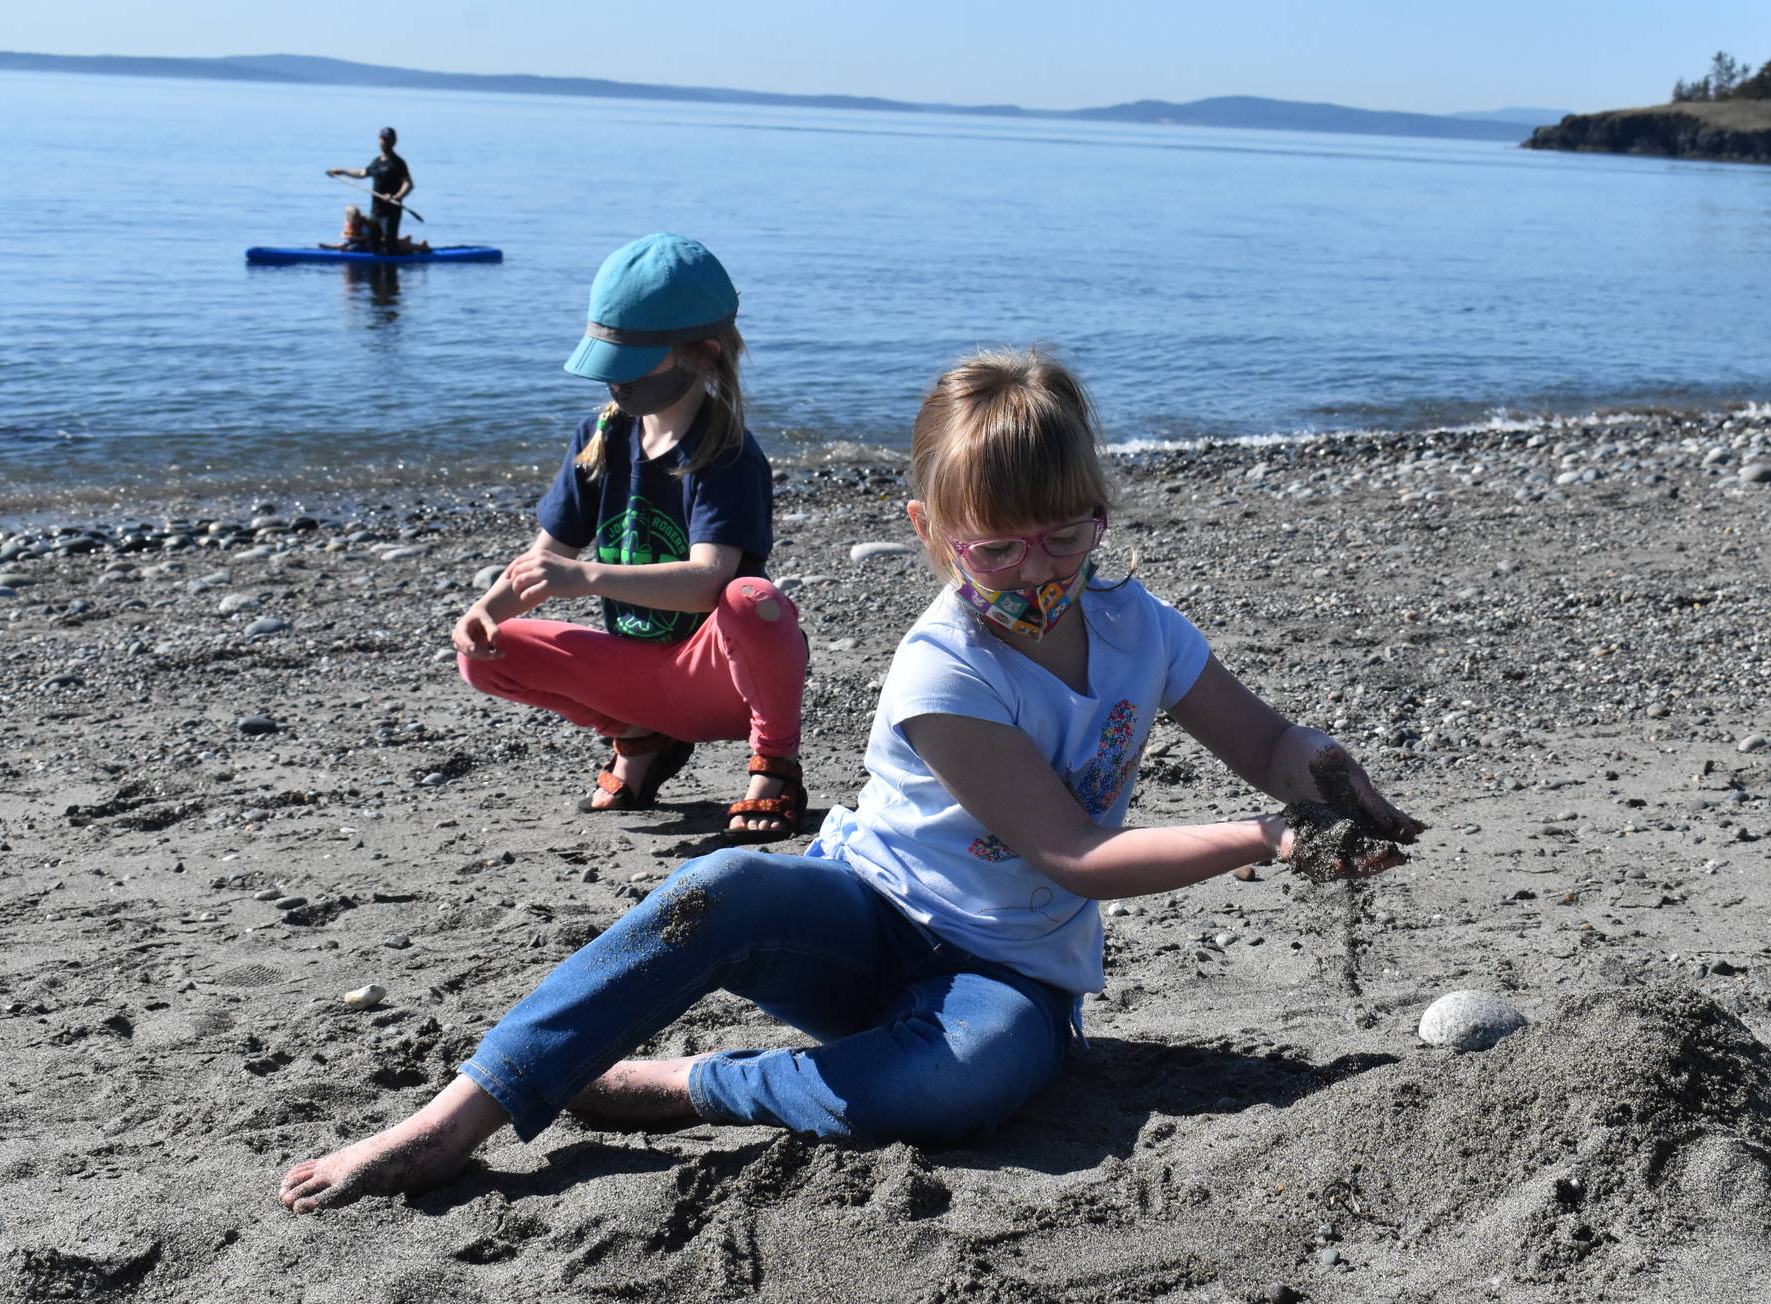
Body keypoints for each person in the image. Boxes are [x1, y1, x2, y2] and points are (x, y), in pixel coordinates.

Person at [277, 347, 1424, 1214]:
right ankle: (456, 1117)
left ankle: (692, 1086)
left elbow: (1263, 742)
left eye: (1065, 539)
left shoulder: (1142, 631)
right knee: (713, 885)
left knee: (960, 1088)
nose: (1038, 572)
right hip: (863, 921)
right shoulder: (944, 669)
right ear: (931, 532)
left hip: (1008, 976)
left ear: (1099, 517)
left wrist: (1314, 772)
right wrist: (1264, 842)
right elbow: (1072, 856)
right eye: (997, 548)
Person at [450, 234, 808, 837]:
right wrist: (485, 609)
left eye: (633, 364)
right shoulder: (603, 436)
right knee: (487, 653)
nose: (616, 383)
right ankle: (638, 742)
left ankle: (774, 765)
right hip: (637, 677)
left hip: (717, 677)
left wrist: (584, 577)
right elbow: (545, 562)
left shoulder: (725, 452)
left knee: (754, 602)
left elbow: (708, 582)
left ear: (702, 353)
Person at [325, 127, 412, 255]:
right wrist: (341, 171)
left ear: (394, 141)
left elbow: (408, 184)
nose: (384, 142)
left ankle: (417, 248)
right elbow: (362, 173)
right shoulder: (376, 162)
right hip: (375, 211)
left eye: (387, 139)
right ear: (379, 140)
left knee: (390, 249)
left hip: (390, 213)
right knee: (373, 246)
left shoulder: (398, 163)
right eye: (382, 139)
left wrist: (397, 196)